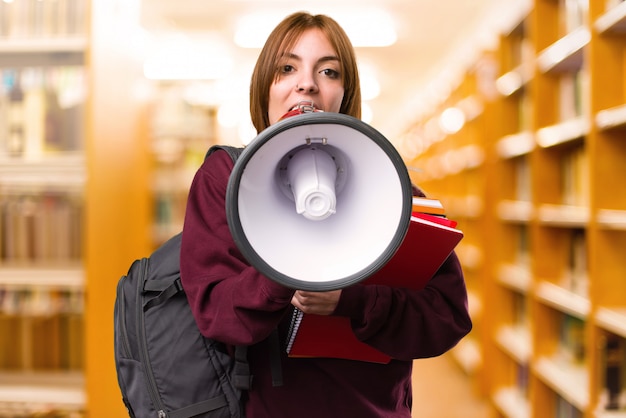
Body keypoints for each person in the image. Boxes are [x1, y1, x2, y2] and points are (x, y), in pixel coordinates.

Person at [180, 11, 472, 418]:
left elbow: (447, 318)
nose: (307, 83)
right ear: (264, 87)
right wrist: (282, 273)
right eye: (286, 68)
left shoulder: (389, 191)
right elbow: (217, 315)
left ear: (344, 93)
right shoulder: (224, 180)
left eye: (329, 71)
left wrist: (353, 301)